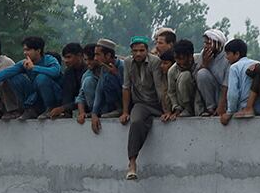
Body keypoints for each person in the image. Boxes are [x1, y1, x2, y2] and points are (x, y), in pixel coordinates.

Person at [122, 38, 170, 180]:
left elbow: (159, 88)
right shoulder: (128, 62)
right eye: (135, 51)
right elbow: (126, 87)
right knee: (136, 122)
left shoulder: (154, 62)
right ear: (131, 52)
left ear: (147, 51)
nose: (138, 54)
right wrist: (125, 111)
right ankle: (132, 163)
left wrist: (166, 110)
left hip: (156, 103)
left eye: (141, 50)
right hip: (141, 103)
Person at [0, 36, 61, 120]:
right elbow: (5, 73)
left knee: (42, 78)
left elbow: (55, 72)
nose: (25, 53)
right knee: (13, 77)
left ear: (38, 51)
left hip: (52, 96)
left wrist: (34, 68)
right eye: (24, 50)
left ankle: (49, 108)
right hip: (35, 96)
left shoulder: (50, 59)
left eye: (28, 50)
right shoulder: (24, 63)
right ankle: (26, 109)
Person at [82, 39, 123, 133]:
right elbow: (99, 90)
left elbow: (128, 88)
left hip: (127, 103)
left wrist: (116, 74)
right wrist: (94, 113)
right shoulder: (104, 68)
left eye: (97, 54)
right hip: (109, 105)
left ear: (108, 55)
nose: (95, 58)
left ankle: (119, 109)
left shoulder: (122, 66)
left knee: (109, 78)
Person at [218, 38, 255, 124]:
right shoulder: (257, 63)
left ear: (237, 54)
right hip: (258, 108)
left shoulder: (234, 67)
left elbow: (233, 94)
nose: (226, 57)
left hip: (242, 109)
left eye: (228, 54)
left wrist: (229, 112)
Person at [194, 29, 228, 115]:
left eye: (209, 44)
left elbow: (226, 85)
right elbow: (197, 78)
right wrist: (204, 64)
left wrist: (221, 107)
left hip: (226, 93)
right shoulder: (204, 53)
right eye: (205, 43)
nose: (206, 46)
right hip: (212, 91)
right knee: (202, 73)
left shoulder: (227, 55)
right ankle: (210, 108)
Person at [163, 39, 198, 118]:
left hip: (198, 98)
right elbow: (171, 92)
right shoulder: (172, 71)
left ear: (190, 56)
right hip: (183, 102)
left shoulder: (200, 61)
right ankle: (187, 109)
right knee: (185, 76)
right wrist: (176, 108)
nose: (178, 62)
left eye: (181, 58)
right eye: (176, 59)